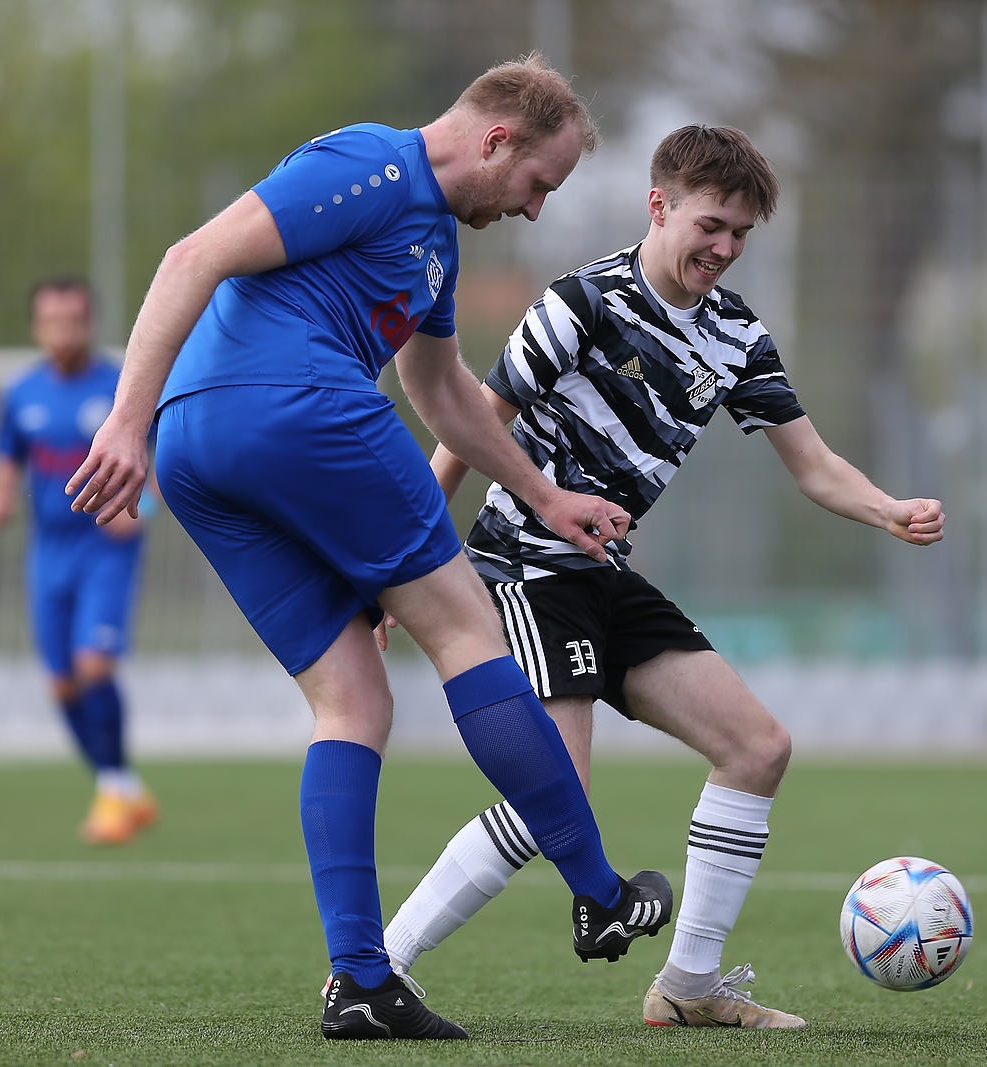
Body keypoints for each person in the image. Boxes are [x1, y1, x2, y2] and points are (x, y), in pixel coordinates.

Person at [62, 56, 673, 1042]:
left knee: (351, 698)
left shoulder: (432, 240)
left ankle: (359, 978)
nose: (531, 209)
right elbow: (191, 257)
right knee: (470, 629)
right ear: (496, 139)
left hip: (205, 450)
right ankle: (598, 888)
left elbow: (442, 396)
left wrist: (545, 494)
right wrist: (122, 420)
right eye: (537, 184)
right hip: (285, 410)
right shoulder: (369, 165)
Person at [379, 125, 946, 1029]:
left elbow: (812, 463)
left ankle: (687, 985)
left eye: (741, 236)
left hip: (606, 573)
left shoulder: (736, 334)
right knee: (553, 797)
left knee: (758, 748)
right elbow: (466, 428)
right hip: (526, 567)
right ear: (660, 206)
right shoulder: (581, 301)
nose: (722, 249)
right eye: (711, 225)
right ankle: (380, 966)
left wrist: (889, 509)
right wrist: (409, 564)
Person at [0, 276, 158, 846]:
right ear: (37, 327)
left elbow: (159, 455)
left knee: (93, 666)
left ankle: (112, 790)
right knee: (61, 686)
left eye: (74, 320)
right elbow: (8, 454)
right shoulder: (21, 393)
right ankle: (123, 787)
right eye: (52, 321)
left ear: (91, 323)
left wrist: (143, 506)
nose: (64, 331)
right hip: (47, 552)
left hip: (104, 546)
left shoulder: (120, 389)